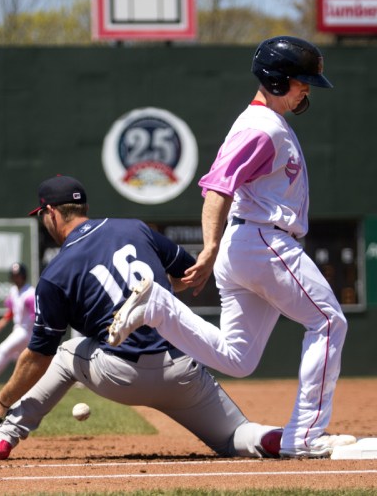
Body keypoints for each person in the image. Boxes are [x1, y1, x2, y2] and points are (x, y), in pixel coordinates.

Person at [108, 36, 355, 458]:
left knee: (239, 358)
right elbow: (218, 188)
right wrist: (208, 248)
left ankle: (157, 309)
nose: (307, 89)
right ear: (278, 80)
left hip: (251, 244)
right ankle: (306, 436)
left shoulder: (266, 124)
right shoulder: (261, 129)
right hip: (263, 239)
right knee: (329, 322)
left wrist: (216, 251)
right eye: (302, 81)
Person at [0, 175, 282, 460]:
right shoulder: (135, 227)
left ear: (51, 212)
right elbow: (189, 275)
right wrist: (160, 287)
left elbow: (39, 355)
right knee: (234, 436)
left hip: (120, 375)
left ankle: (2, 437)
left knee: (65, 353)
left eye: (42, 215)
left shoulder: (55, 274)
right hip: (180, 372)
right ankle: (275, 438)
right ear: (84, 207)